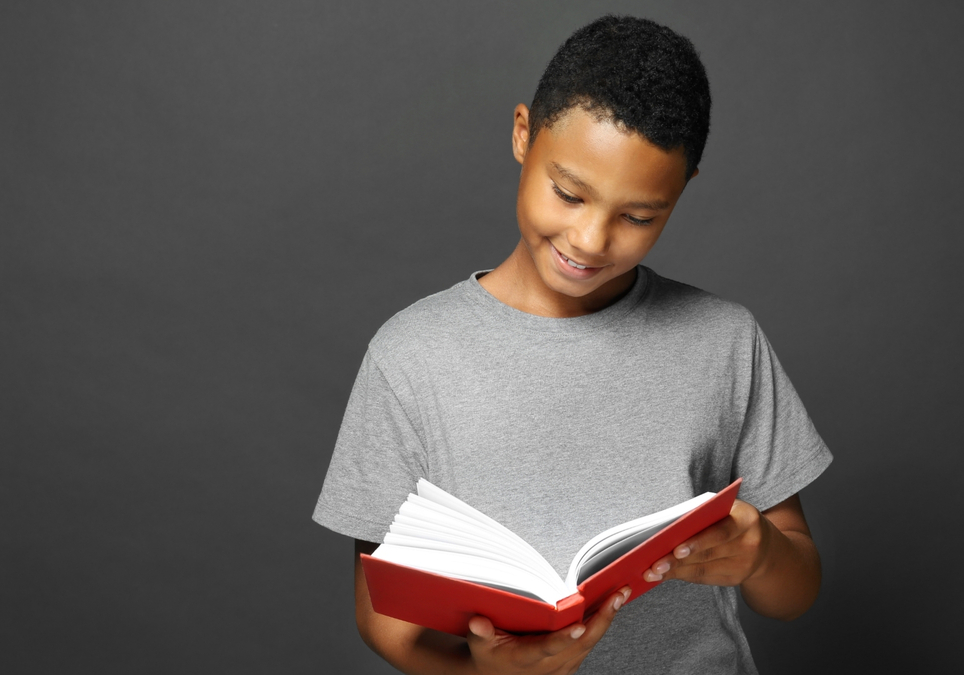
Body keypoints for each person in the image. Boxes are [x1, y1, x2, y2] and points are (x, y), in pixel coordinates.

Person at [313, 15, 832, 674]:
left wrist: (759, 555)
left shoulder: (725, 341)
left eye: (638, 216)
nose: (590, 238)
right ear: (523, 134)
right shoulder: (409, 356)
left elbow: (796, 586)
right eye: (568, 193)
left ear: (682, 191)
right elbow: (379, 615)